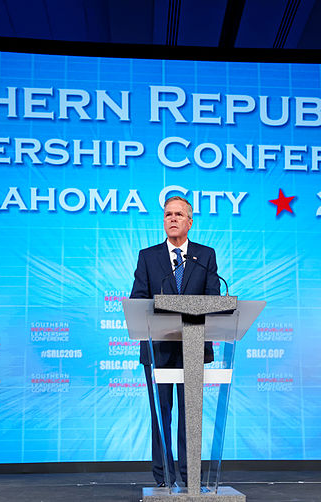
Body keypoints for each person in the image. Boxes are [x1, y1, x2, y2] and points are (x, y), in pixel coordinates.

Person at [130, 196, 220, 487]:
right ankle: (164, 477)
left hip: (193, 347)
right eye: (168, 214)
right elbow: (138, 300)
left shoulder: (204, 257)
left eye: (179, 214)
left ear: (189, 222)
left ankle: (190, 476)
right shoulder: (148, 257)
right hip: (158, 348)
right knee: (162, 414)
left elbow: (214, 300)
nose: (172, 218)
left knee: (189, 414)